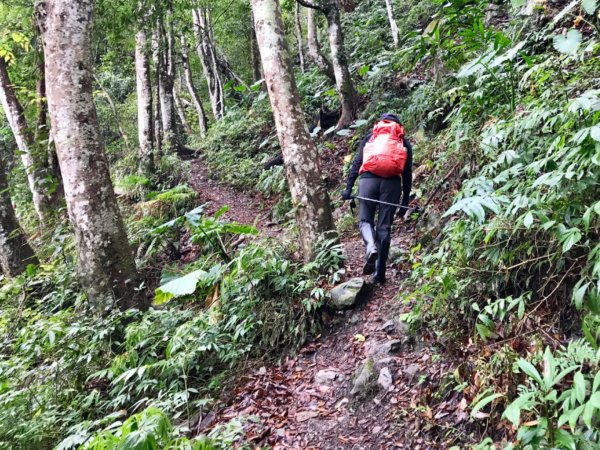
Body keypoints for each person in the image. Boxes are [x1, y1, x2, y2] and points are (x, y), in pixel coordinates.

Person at [342, 113, 413, 283]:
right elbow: (407, 174)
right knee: (384, 228)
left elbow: (357, 163)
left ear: (381, 123)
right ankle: (380, 273)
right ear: (398, 126)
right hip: (392, 185)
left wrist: (348, 188)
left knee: (365, 220)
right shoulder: (403, 142)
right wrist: (404, 202)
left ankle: (371, 247)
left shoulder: (371, 137)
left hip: (368, 181)